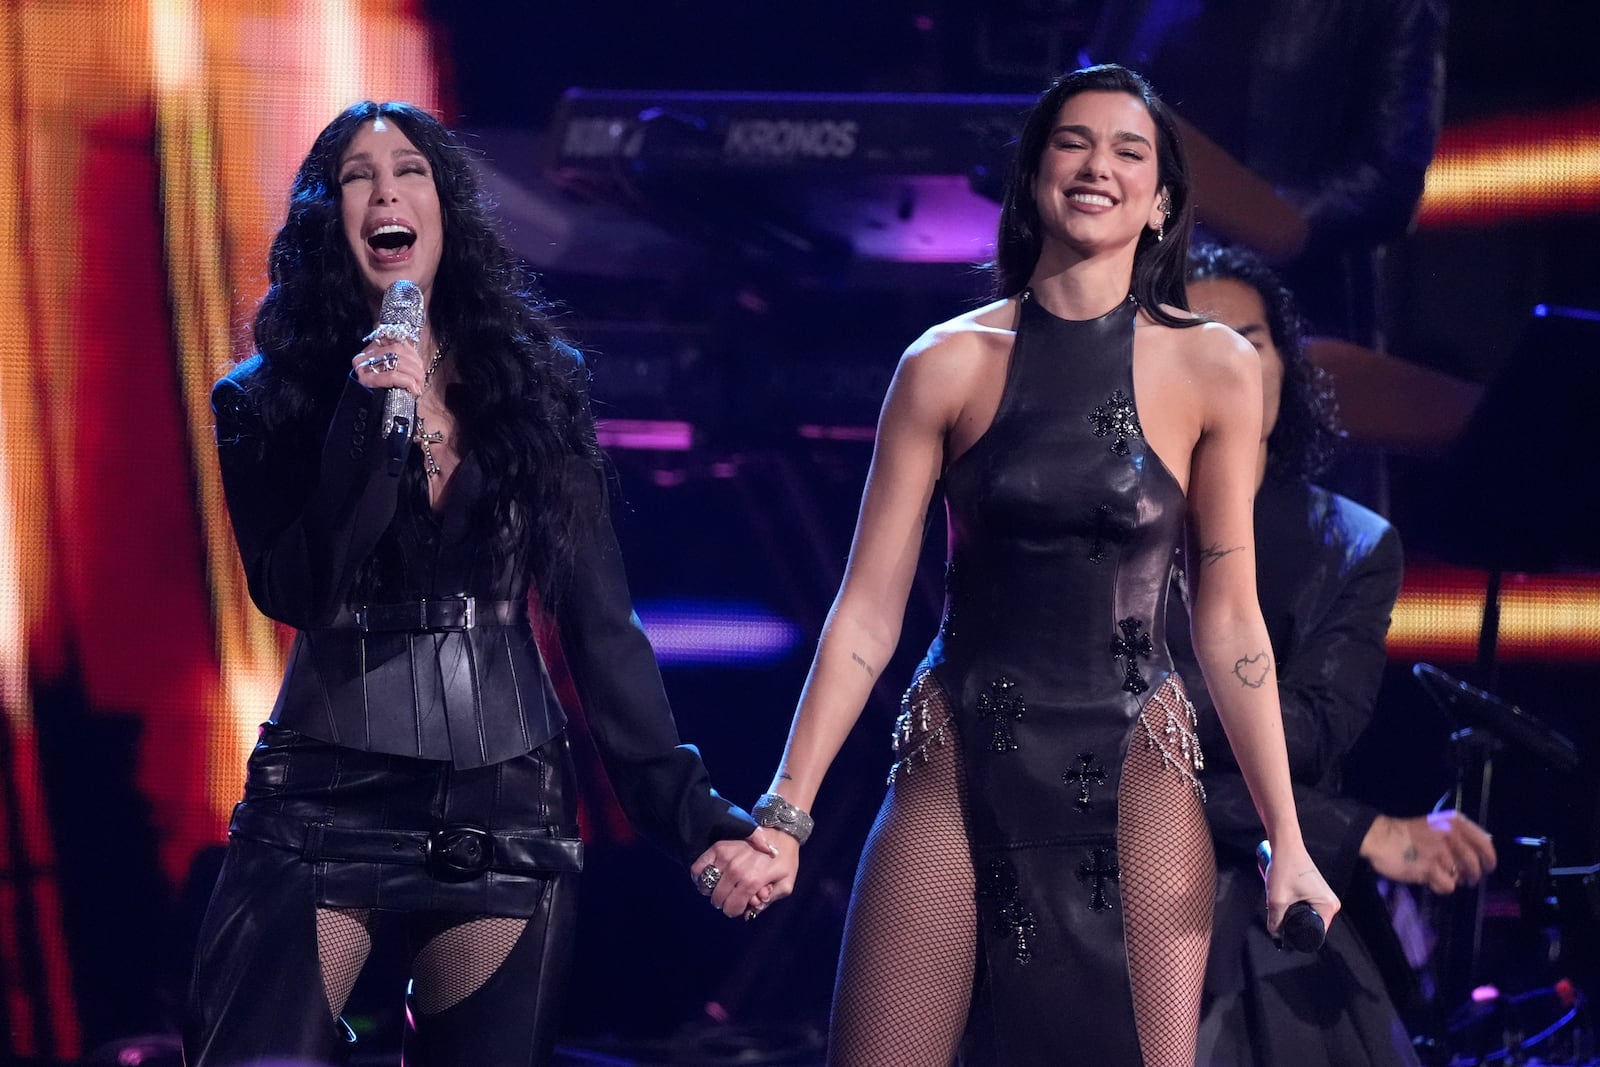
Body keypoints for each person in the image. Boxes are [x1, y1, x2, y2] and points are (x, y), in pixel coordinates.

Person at [719, 65, 1339, 1067]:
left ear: (1163, 200)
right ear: (1033, 176)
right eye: (1072, 143)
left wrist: (1289, 838)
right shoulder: (943, 362)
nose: (1099, 166)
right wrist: (785, 812)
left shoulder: (1214, 365)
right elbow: (866, 612)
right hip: (955, 752)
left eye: (1129, 151)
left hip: (1135, 761)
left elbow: (1228, 618)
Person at [183, 101, 777, 1067]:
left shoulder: (536, 386)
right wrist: (367, 421)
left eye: (410, 170)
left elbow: (599, 623)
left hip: (504, 792)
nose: (386, 191)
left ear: (445, 206)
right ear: (324, 220)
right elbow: (303, 590)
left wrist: (690, 814)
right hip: (325, 790)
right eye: (356, 177)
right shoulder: (264, 398)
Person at [1176, 243, 1498, 1067]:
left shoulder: (1354, 543)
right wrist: (1362, 831)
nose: (1234, 362)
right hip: (1087, 876)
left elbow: (1309, 736)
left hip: (1255, 888)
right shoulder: (1110, 524)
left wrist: (1153, 714)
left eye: (1252, 336)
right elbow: (1078, 739)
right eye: (1203, 335)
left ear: (1285, 359)